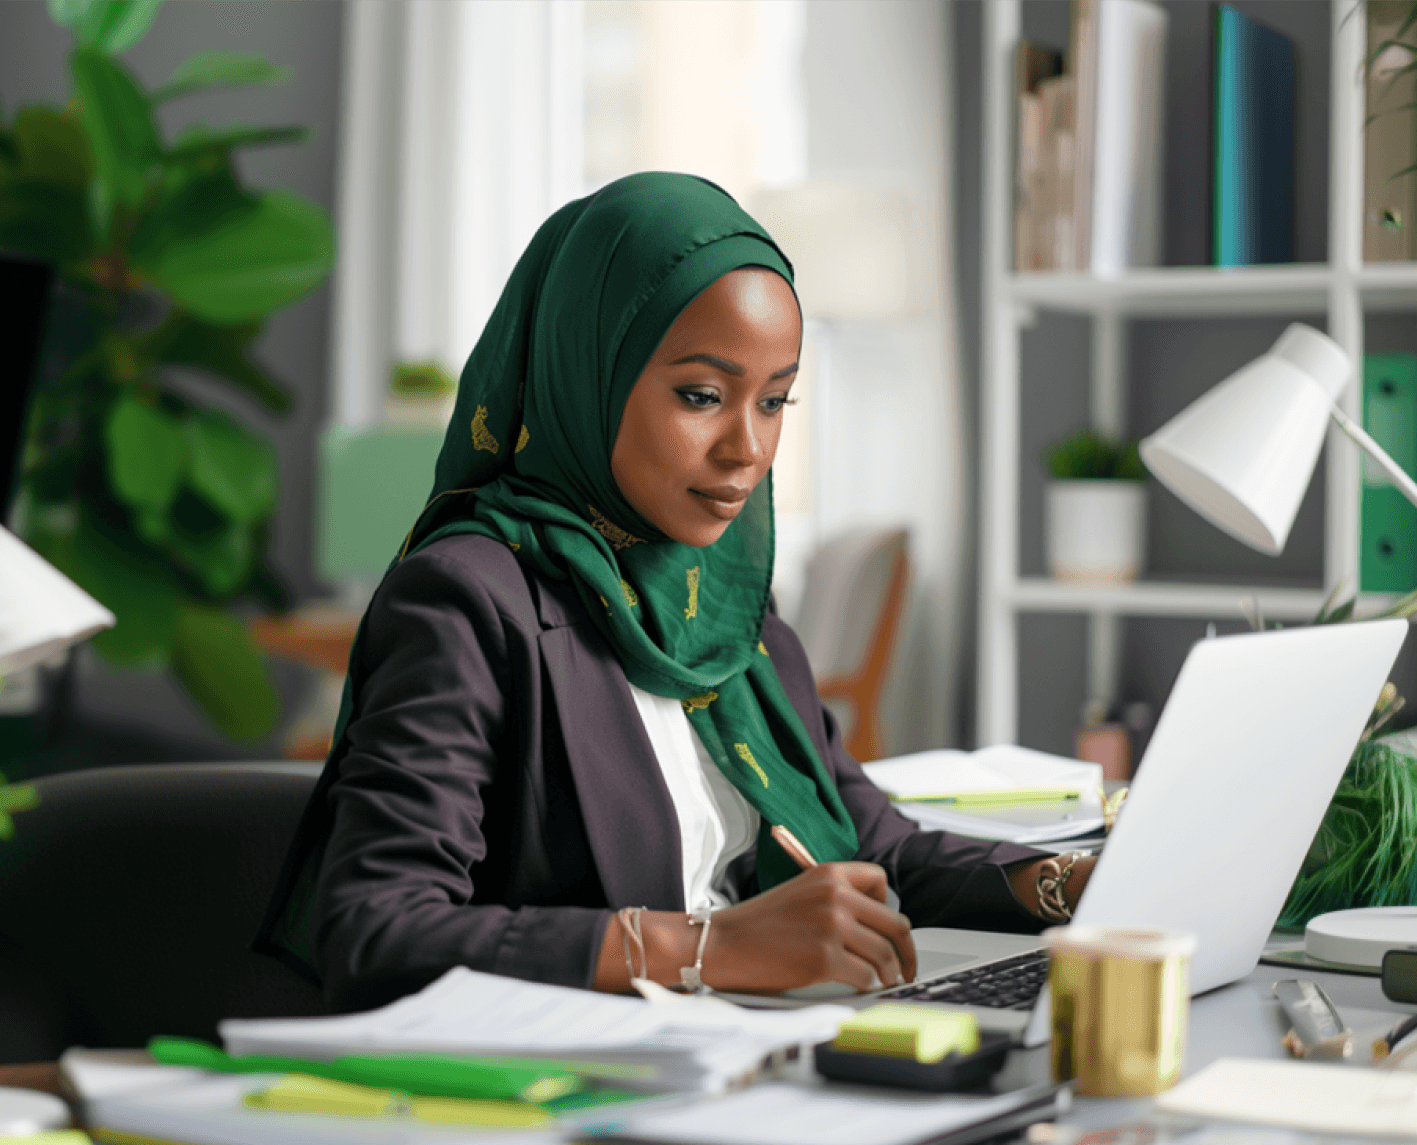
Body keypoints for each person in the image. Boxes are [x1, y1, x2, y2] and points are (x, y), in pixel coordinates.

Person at [256, 173, 1095, 1013]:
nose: (748, 449)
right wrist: (708, 949)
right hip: (588, 1086)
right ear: (588, 372)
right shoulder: (466, 601)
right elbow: (377, 930)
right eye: (702, 396)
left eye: (774, 402)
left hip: (766, 1046)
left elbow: (873, 851)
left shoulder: (723, 603)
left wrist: (1074, 883)